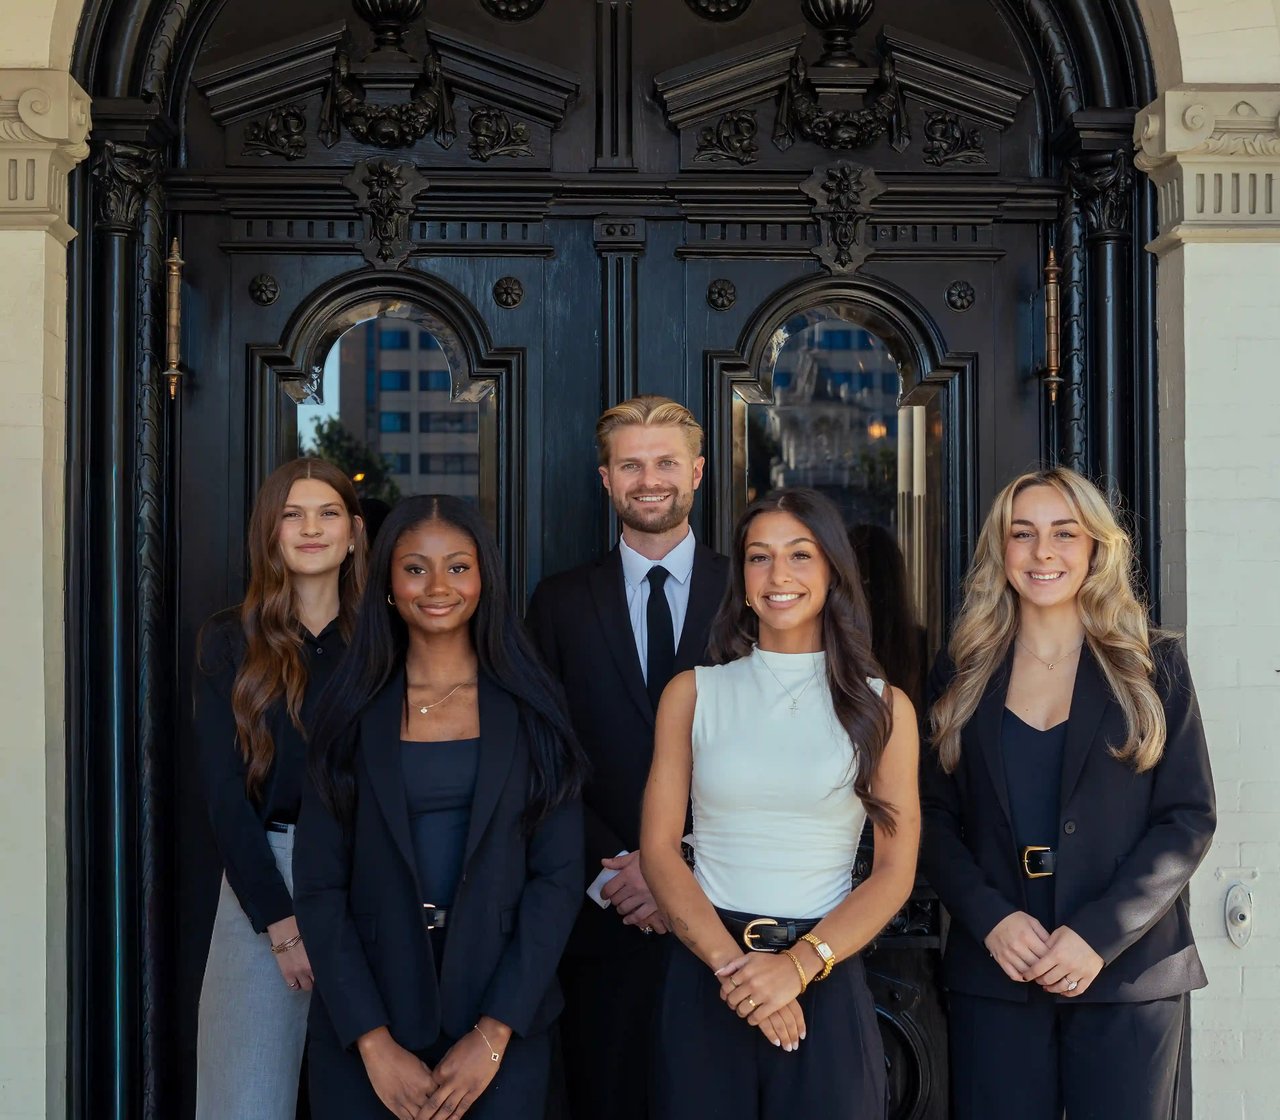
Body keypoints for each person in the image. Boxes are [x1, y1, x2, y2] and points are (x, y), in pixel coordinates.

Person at [921, 467, 1216, 1120]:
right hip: (997, 975)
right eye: (1022, 534)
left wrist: (1097, 935)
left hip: (1128, 977)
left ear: (1095, 548)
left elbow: (1187, 817)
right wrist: (990, 919)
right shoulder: (961, 671)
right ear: (1001, 550)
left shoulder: (1152, 666)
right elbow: (932, 820)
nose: (1043, 552)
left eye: (1064, 533)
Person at [295, 495, 586, 1120]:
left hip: (502, 1012)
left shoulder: (533, 704)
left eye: (457, 567)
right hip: (370, 1012)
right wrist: (372, 1043)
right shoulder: (346, 706)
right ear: (388, 584)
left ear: (483, 578)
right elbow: (318, 887)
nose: (437, 587)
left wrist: (494, 1033)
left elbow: (557, 880)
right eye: (415, 567)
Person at [641, 487, 920, 1119]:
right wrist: (737, 972)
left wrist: (795, 968)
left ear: (831, 573)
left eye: (800, 555)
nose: (779, 575)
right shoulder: (692, 694)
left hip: (824, 971)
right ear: (741, 577)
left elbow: (894, 872)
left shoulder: (884, 709)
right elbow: (659, 852)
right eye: (759, 557)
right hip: (709, 975)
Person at [525, 395, 729, 1120]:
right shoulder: (556, 603)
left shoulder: (750, 593)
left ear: (697, 472)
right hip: (603, 914)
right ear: (605, 479)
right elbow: (543, 756)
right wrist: (619, 869)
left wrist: (679, 863)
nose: (651, 479)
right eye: (632, 464)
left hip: (725, 911)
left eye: (667, 462)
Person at [193, 457, 367, 1120]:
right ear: (270, 533)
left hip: (368, 876)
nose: (310, 529)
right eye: (291, 515)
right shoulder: (228, 641)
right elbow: (222, 794)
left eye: (326, 513)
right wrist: (281, 925)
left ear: (353, 532)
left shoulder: (385, 643)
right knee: (246, 1098)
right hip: (266, 877)